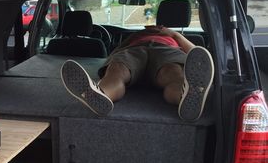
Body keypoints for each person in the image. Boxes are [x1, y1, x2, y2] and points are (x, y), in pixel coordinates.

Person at [60, 25, 214, 122]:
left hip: (166, 50)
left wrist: (173, 34)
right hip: (134, 50)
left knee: (173, 73)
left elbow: (196, 53)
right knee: (117, 70)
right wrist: (129, 42)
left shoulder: (172, 36)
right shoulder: (135, 35)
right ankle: (99, 93)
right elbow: (114, 52)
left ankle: (186, 97)